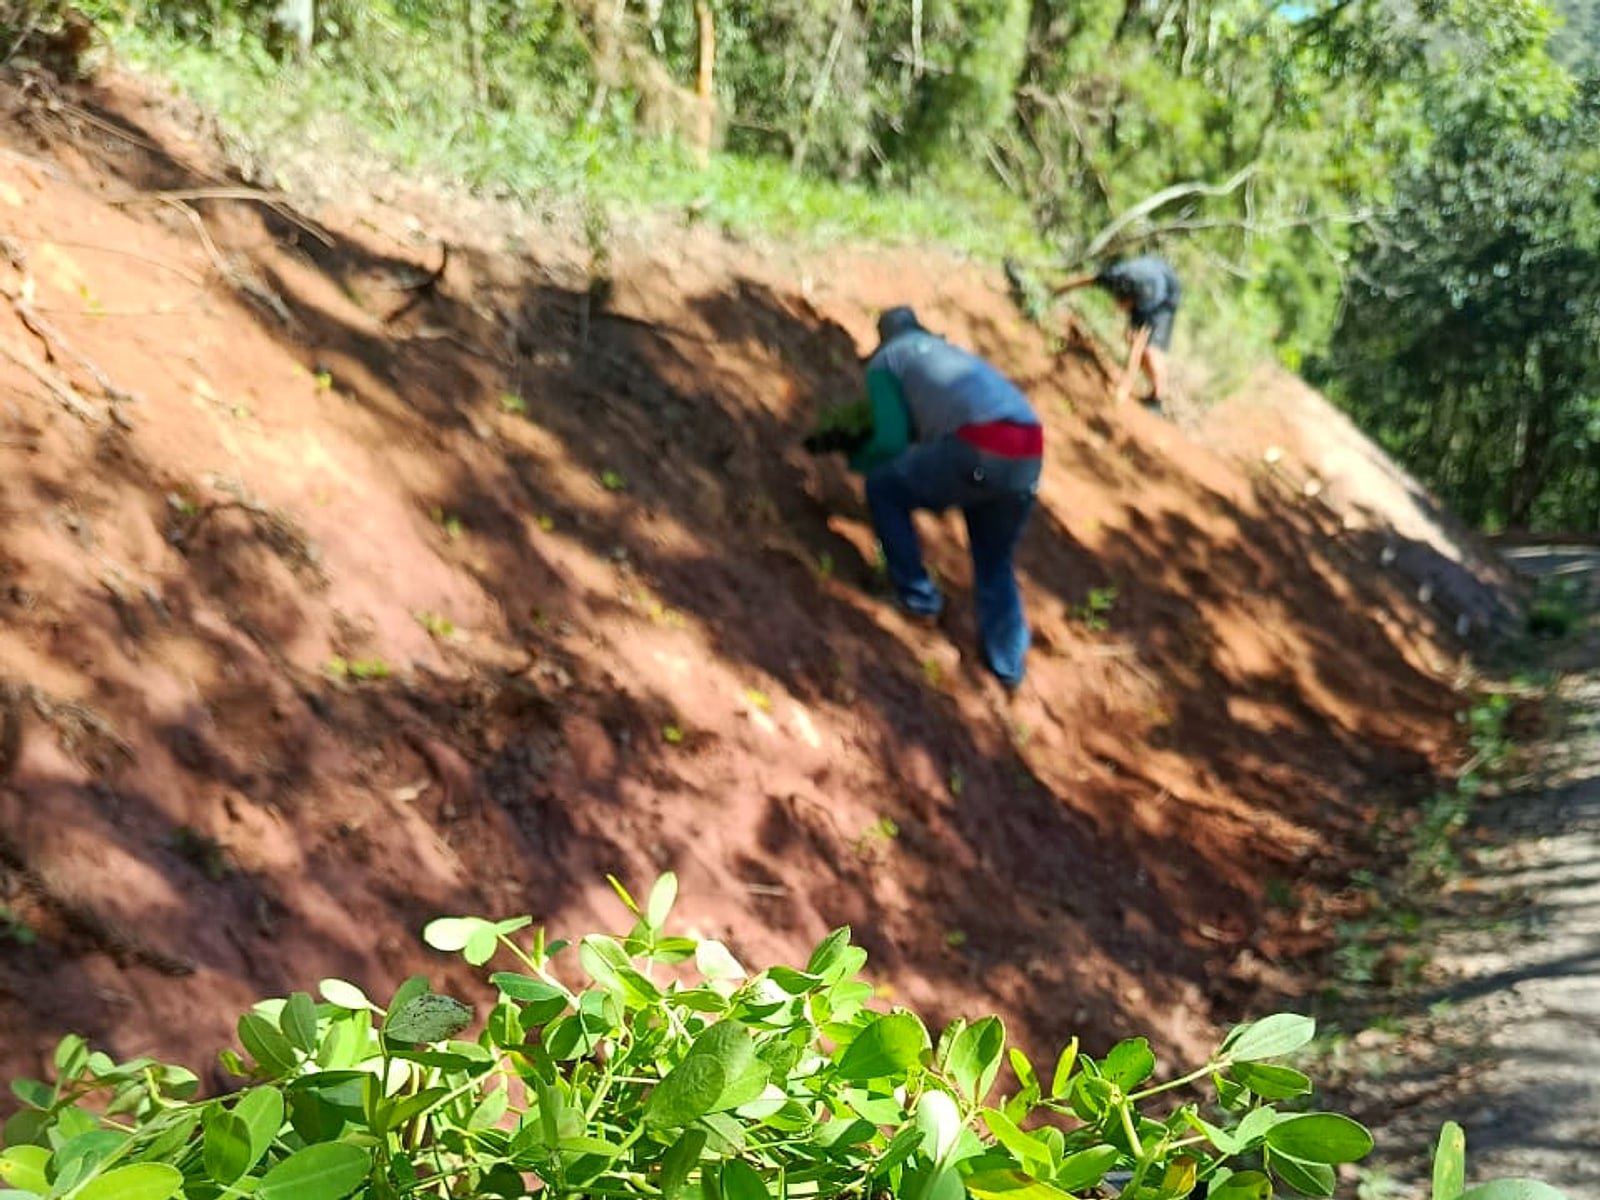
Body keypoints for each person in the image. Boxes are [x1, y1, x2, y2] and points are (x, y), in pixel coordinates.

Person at [805, 306, 1043, 691]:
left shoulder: (888, 360)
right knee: (994, 559)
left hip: (981, 444)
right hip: (1029, 446)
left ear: (883, 338)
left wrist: (857, 461)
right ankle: (1008, 667)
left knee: (885, 488)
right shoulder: (948, 355)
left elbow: (891, 440)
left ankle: (917, 599)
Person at [1052, 254, 1180, 410]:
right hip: (1149, 271)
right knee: (1131, 338)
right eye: (1117, 300)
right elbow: (1086, 279)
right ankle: (1153, 391)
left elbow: (1137, 346)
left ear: (1133, 301)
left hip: (1167, 291)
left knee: (1149, 350)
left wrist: (1124, 387)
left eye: (1123, 303)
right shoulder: (1113, 276)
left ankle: (1157, 397)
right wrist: (1056, 289)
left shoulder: (1146, 300)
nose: (1118, 306)